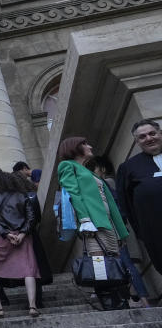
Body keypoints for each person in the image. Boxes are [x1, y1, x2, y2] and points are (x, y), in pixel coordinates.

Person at [58, 137, 130, 310]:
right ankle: (108, 301)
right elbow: (73, 193)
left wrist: (121, 231)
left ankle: (119, 299)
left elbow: (108, 200)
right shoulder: (67, 165)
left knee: (113, 260)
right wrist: (84, 219)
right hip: (93, 222)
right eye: (85, 144)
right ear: (75, 148)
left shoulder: (87, 170)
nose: (90, 146)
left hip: (108, 222)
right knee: (99, 262)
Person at [89, 155, 151, 307]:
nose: (92, 171)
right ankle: (141, 299)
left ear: (102, 168)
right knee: (126, 265)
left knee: (123, 265)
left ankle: (138, 299)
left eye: (94, 168)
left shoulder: (106, 182)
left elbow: (115, 206)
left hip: (113, 230)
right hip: (117, 229)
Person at [0, 172, 41, 319]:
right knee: (28, 270)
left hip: (3, 238)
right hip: (23, 237)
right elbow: (31, 217)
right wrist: (22, 234)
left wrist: (6, 234)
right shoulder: (22, 196)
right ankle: (32, 306)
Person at [116, 119, 162, 276]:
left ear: (160, 133)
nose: (149, 138)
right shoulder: (128, 168)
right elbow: (126, 205)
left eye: (152, 133)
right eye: (142, 137)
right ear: (137, 142)